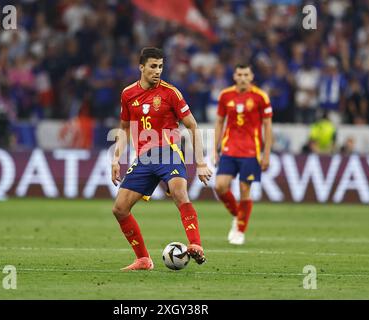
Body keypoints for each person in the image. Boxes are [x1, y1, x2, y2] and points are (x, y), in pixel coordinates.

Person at [111, 47, 212, 271]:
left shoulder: (171, 93)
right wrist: (116, 159)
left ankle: (195, 244)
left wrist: (201, 162)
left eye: (161, 67)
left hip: (169, 152)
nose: (158, 71)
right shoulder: (128, 94)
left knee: (179, 192)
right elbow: (125, 128)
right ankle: (143, 260)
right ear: (141, 67)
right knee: (119, 208)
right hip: (144, 158)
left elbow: (192, 125)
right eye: (153, 66)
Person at [213, 63, 273, 245]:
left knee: (244, 190)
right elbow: (219, 122)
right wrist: (215, 149)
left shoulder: (260, 97)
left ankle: (239, 230)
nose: (243, 78)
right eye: (239, 74)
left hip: (250, 151)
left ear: (252, 76)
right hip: (229, 148)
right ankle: (238, 215)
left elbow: (268, 126)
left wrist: (266, 153)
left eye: (246, 74)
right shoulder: (225, 95)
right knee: (220, 186)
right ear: (234, 76)